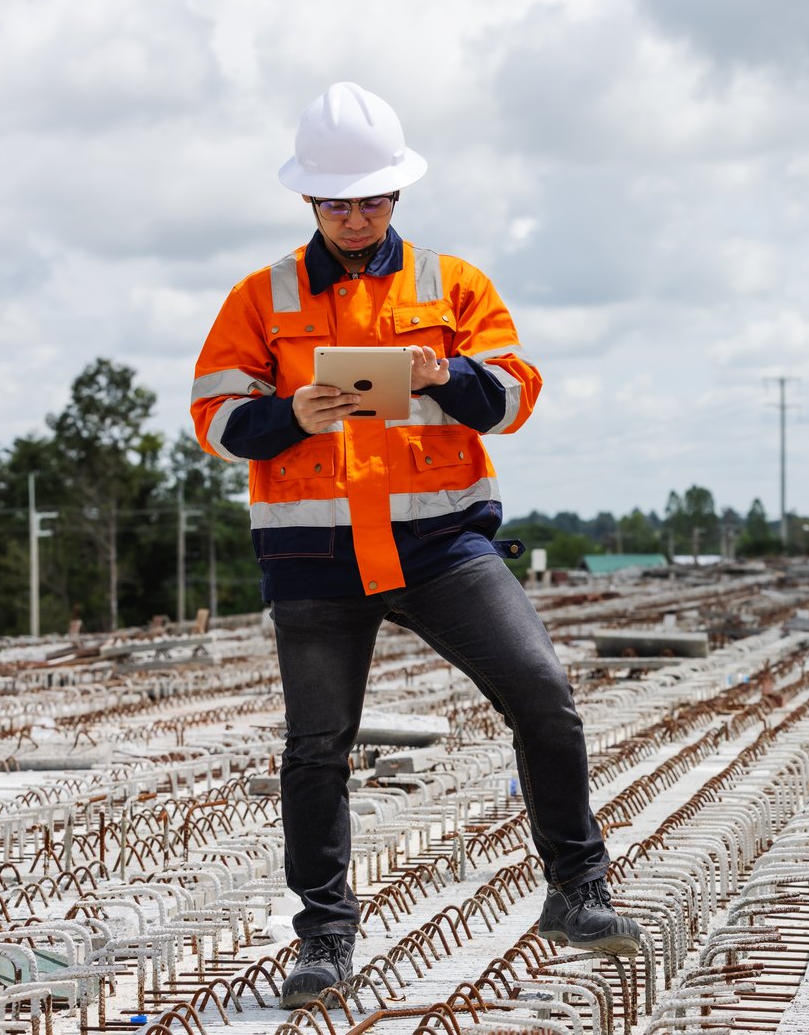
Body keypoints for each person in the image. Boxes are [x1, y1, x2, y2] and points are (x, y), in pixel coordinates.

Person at [191, 82, 642, 1008]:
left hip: (442, 548)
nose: (354, 218)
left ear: (397, 195)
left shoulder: (453, 284)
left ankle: (575, 889)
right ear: (308, 202)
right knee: (317, 747)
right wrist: (290, 414)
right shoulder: (258, 297)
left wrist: (450, 374)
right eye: (335, 203)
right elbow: (215, 419)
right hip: (316, 560)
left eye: (370, 200)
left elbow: (514, 396)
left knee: (544, 697)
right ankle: (322, 937)